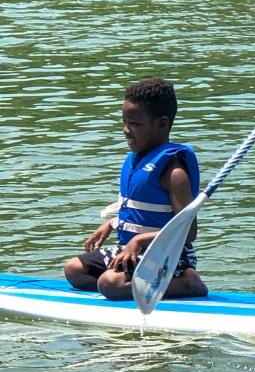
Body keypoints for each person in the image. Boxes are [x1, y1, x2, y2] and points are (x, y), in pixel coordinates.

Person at [64, 77, 208, 300]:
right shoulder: (137, 160)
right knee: (74, 269)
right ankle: (131, 289)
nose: (126, 130)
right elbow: (139, 209)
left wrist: (139, 240)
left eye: (135, 124)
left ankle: (187, 284)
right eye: (124, 122)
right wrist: (112, 223)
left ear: (162, 124)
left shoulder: (174, 173)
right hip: (131, 249)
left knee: (109, 283)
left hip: (169, 257)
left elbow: (188, 232)